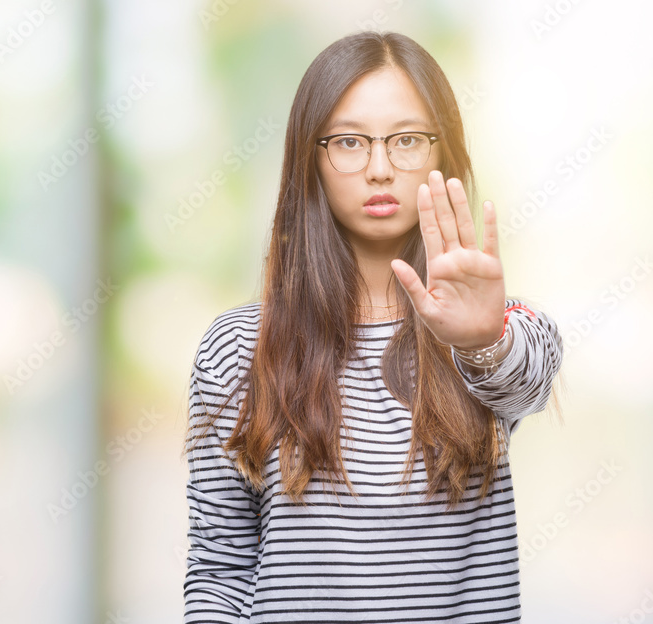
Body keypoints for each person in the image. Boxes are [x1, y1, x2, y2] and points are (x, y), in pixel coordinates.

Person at [182, 31, 563, 623]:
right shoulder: (238, 347)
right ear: (311, 157)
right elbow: (221, 566)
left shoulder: (492, 327)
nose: (380, 169)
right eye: (350, 142)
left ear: (445, 154)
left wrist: (479, 340)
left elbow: (524, 376)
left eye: (407, 140)